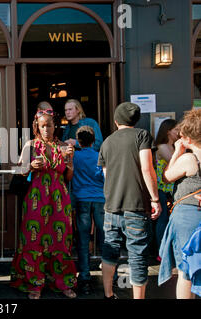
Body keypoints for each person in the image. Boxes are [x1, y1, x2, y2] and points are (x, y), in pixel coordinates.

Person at [10, 108, 78, 299]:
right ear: (37, 127)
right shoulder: (30, 145)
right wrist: (30, 166)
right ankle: (34, 284)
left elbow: (69, 177)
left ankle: (63, 282)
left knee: (61, 240)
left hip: (59, 199)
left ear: (55, 125)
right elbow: (20, 171)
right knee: (33, 240)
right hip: (36, 198)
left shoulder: (64, 146)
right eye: (42, 126)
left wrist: (70, 163)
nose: (46, 129)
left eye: (49, 125)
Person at [98, 102, 161, 299]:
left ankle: (108, 294)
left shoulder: (107, 142)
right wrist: (155, 198)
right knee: (137, 256)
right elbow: (146, 168)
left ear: (116, 120)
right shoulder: (142, 135)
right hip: (136, 206)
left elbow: (106, 175)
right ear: (135, 120)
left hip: (111, 207)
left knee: (109, 252)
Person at [158, 108, 201, 299]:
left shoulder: (188, 159)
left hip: (188, 217)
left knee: (186, 269)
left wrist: (177, 152)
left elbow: (166, 177)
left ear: (189, 139)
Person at [71, 125, 105, 295]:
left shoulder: (74, 157)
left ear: (78, 141)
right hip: (100, 199)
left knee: (83, 239)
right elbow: (104, 177)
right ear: (93, 141)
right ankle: (110, 274)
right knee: (105, 238)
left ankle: (84, 277)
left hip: (81, 199)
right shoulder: (99, 156)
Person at [154, 119, 179, 256]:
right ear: (168, 131)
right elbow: (174, 163)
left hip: (171, 189)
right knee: (163, 220)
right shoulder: (162, 146)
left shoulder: (173, 146)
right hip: (162, 188)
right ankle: (161, 252)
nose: (178, 133)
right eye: (176, 130)